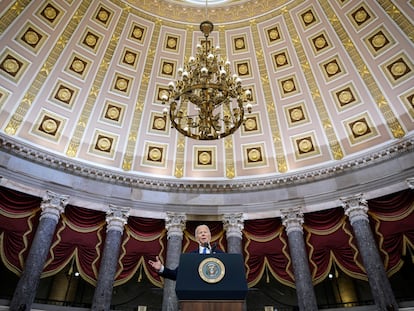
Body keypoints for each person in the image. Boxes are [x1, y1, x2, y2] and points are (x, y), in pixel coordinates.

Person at [148, 224, 223, 280]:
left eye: (205, 232)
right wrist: (161, 268)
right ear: (197, 238)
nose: (203, 234)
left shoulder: (221, 254)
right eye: (200, 233)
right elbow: (176, 274)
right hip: (195, 294)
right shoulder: (189, 257)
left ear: (209, 236)